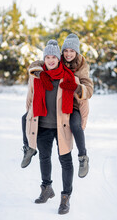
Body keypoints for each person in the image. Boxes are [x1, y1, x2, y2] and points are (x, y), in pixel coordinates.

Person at [23, 39, 89, 214]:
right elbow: (29, 100)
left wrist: (80, 126)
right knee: (44, 158)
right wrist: (30, 118)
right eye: (47, 57)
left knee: (65, 162)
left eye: (54, 56)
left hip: (63, 126)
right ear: (44, 58)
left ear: (59, 59)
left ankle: (65, 197)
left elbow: (83, 104)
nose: (51, 60)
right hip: (43, 124)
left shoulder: (69, 77)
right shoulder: (36, 76)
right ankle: (46, 189)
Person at [26, 33, 94, 178]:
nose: (68, 54)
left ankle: (83, 157)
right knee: (25, 117)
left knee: (76, 125)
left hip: (74, 103)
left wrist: (76, 88)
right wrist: (38, 71)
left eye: (72, 51)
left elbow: (88, 89)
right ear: (62, 52)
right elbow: (43, 62)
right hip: (59, 100)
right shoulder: (58, 58)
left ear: (77, 52)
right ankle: (28, 148)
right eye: (66, 50)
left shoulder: (82, 65)